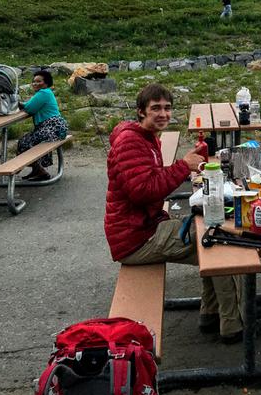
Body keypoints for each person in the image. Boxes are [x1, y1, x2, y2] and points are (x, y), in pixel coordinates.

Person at [104, 82, 244, 343]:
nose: (163, 114)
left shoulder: (145, 138)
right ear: (140, 112)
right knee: (221, 246)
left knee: (209, 236)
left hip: (142, 227)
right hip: (136, 238)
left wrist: (187, 162)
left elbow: (151, 180)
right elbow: (143, 191)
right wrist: (183, 166)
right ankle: (232, 326)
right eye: (155, 108)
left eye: (167, 108)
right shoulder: (130, 142)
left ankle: (211, 314)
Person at [17, 70, 68, 181]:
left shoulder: (43, 93)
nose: (35, 83)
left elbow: (30, 108)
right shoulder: (46, 92)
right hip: (57, 128)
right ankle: (37, 170)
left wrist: (18, 105)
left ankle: (37, 170)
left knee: (25, 142)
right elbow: (30, 104)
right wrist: (22, 105)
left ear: (46, 83)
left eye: (38, 81)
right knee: (27, 140)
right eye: (34, 81)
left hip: (51, 127)